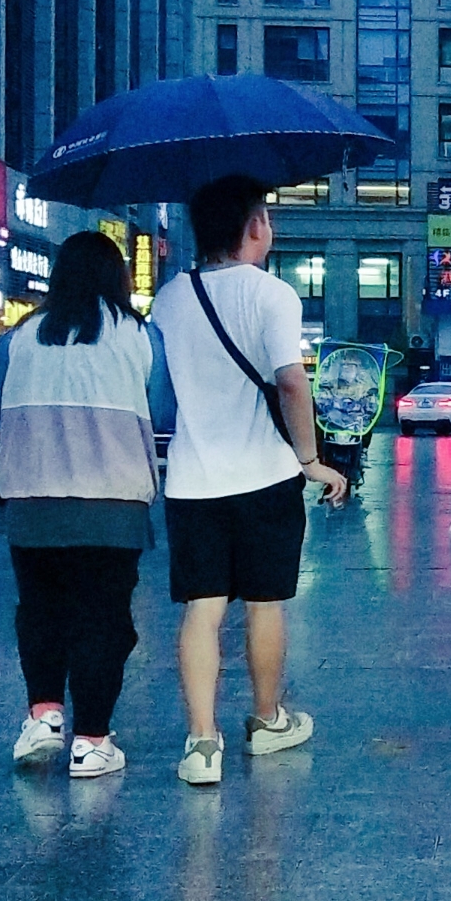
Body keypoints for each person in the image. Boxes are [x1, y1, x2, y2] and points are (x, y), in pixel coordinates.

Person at [148, 175, 349, 787]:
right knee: (265, 604)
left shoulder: (170, 297)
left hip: (191, 479)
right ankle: (266, 721)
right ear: (254, 226)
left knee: (202, 610)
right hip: (264, 476)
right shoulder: (273, 295)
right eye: (266, 215)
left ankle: (202, 743)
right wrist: (311, 458)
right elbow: (292, 382)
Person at [0, 228, 160, 780]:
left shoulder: (20, 337)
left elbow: (0, 397)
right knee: (103, 622)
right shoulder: (139, 337)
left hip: (31, 500)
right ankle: (91, 740)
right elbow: (161, 407)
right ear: (118, 278)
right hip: (111, 507)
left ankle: (43, 715)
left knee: (38, 612)